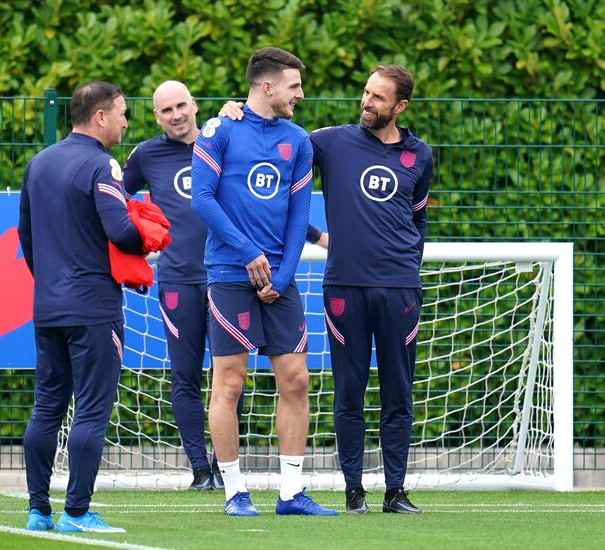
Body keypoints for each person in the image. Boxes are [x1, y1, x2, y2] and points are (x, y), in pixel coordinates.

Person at [220, 64, 432, 514]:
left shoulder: (420, 155)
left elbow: (418, 218)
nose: (367, 102)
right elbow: (271, 160)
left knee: (399, 391)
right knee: (348, 390)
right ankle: (353, 491)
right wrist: (233, 111)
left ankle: (396, 491)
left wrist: (408, 266)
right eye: (365, 92)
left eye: (378, 97)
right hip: (343, 288)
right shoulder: (330, 141)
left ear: (400, 106)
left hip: (400, 290)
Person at [191, 47, 337, 517]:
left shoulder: (298, 141)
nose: (301, 94)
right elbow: (203, 201)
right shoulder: (219, 131)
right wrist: (249, 252)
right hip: (230, 275)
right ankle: (235, 492)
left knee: (296, 381)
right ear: (268, 86)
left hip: (282, 281)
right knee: (229, 384)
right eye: (294, 86)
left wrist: (286, 273)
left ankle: (291, 494)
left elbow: (300, 217)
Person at [18, 80, 143, 533]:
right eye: (123, 113)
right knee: (91, 408)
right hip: (92, 306)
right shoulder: (101, 163)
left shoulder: (38, 163)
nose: (127, 122)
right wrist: (145, 235)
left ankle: (37, 511)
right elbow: (121, 231)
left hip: (48, 304)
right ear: (101, 116)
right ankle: (75, 512)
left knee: (47, 406)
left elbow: (26, 240)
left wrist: (52, 281)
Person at [122, 80, 226, 490]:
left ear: (195, 105)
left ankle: (225, 467)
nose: (176, 115)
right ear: (156, 117)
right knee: (185, 376)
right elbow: (114, 198)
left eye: (181, 105)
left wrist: (313, 236)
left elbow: (258, 202)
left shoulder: (222, 145)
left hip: (226, 278)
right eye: (166, 110)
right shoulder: (146, 155)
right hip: (177, 281)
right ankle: (200, 470)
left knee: (227, 377)